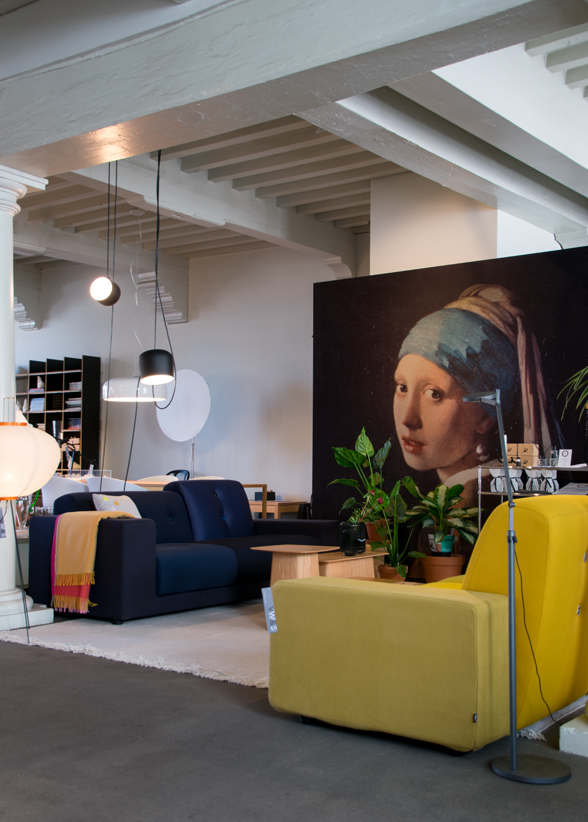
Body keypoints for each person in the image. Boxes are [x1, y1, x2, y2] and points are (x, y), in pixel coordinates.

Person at [393, 284, 559, 505]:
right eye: (402, 388)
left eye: (434, 394)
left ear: (486, 416)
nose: (408, 419)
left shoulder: (466, 502)